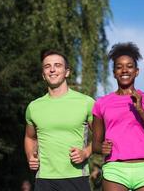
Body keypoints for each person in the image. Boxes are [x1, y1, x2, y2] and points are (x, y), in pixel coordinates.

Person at [92, 42, 144, 191]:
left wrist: (140, 110)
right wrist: (102, 148)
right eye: (119, 67)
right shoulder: (102, 103)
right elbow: (95, 145)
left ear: (137, 71)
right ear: (114, 73)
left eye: (129, 66)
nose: (124, 70)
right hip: (115, 170)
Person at [24, 49, 94, 191]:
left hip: (76, 177)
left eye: (57, 65)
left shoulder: (86, 102)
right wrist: (30, 156)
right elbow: (29, 137)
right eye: (47, 66)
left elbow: (102, 135)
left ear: (67, 72)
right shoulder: (34, 106)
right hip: (44, 179)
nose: (52, 70)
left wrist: (86, 152)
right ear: (43, 75)